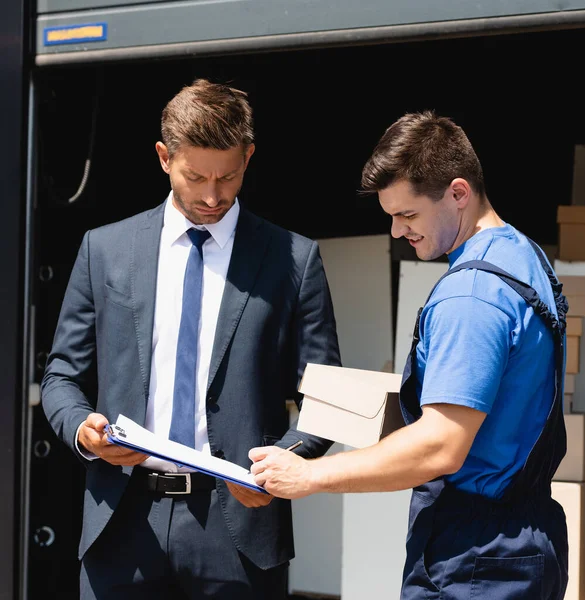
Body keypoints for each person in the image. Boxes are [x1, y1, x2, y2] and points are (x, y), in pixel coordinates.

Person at [41, 78, 341, 600]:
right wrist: (81, 431)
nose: (212, 196)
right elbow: (62, 375)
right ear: (163, 157)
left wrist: (281, 461)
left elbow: (327, 401)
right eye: (195, 176)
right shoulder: (104, 250)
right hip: (120, 524)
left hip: (239, 529)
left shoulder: (294, 259)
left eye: (228, 177)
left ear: (248, 157)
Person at [250, 111, 569, 599]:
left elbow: (441, 445)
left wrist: (309, 474)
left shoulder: (471, 296)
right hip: (525, 539)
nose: (398, 232)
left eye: (409, 214)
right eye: (391, 216)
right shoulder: (525, 257)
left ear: (458, 193)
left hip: (476, 556)